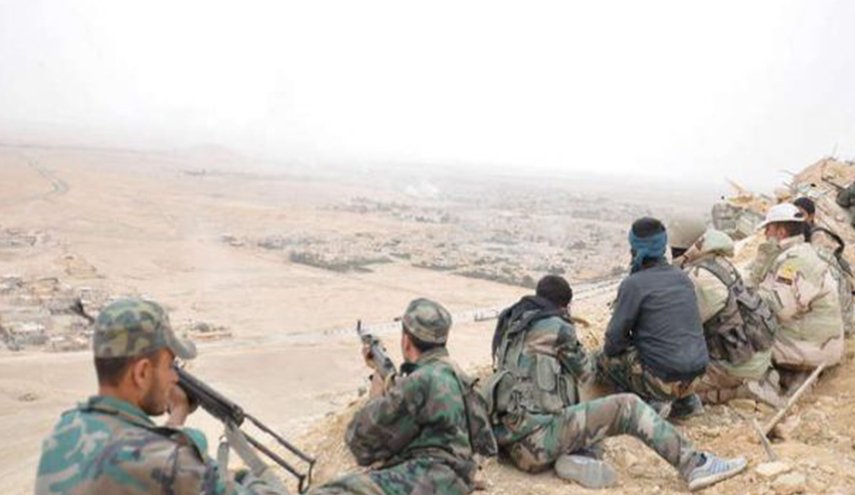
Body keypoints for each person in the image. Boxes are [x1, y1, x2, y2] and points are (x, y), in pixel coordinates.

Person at [486, 274, 747, 492]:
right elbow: (587, 372)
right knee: (627, 407)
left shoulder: (512, 327)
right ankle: (694, 464)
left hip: (513, 445)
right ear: (565, 305)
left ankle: (579, 457)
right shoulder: (557, 327)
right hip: (539, 442)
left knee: (583, 416)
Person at [35, 298, 286, 495]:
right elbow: (160, 465)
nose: (174, 378)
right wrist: (247, 478)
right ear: (142, 373)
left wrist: (178, 413)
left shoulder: (64, 432)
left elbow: (140, 461)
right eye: (169, 366)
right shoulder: (171, 464)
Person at [309, 298, 496, 495]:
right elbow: (485, 443)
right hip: (458, 478)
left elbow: (360, 442)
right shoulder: (456, 375)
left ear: (406, 342)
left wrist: (377, 391)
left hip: (433, 480)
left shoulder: (419, 382)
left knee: (335, 490)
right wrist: (387, 377)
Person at [596, 217, 708, 417]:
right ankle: (687, 400)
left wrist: (631, 344)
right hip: (697, 375)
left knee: (603, 359)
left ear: (634, 249)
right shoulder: (683, 278)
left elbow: (613, 341)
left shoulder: (634, 284)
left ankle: (650, 400)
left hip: (662, 378)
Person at [670, 224, 783, 407]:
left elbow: (682, 331)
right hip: (756, 355)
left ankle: (741, 390)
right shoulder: (718, 263)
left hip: (736, 365)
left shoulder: (698, 277)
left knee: (666, 388)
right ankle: (761, 378)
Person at [749, 203, 844, 391]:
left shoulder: (795, 262)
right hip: (819, 344)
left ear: (781, 232)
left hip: (810, 350)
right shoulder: (801, 252)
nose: (765, 234)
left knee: (737, 338)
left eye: (768, 229)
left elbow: (780, 309)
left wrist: (747, 296)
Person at [794, 196, 855, 337]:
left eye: (801, 214)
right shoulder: (802, 235)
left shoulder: (818, 237)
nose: (797, 219)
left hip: (836, 315)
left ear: (811, 216)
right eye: (794, 214)